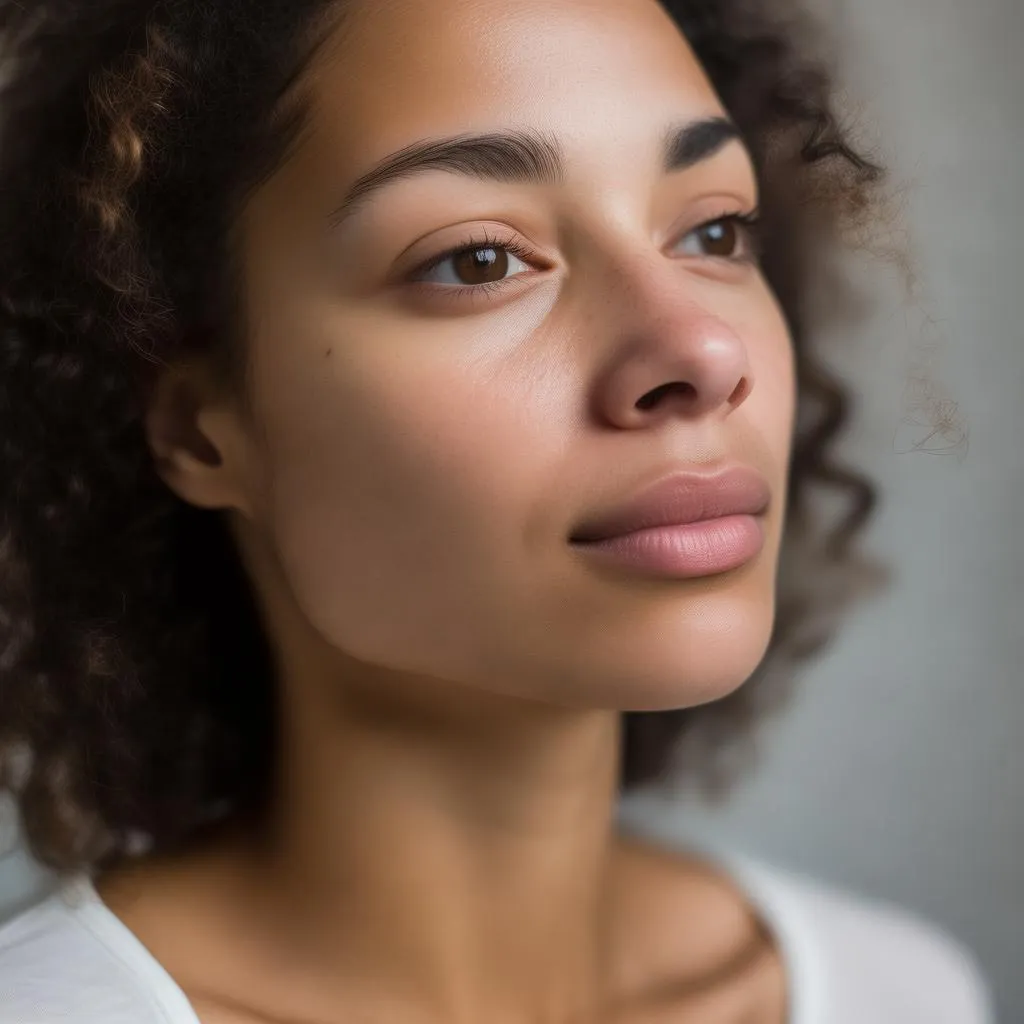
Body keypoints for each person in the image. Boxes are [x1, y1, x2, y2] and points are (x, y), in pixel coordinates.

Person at [0, 0, 994, 1021]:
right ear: (200, 431)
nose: (703, 354)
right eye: (478, 259)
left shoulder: (901, 993)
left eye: (712, 230)